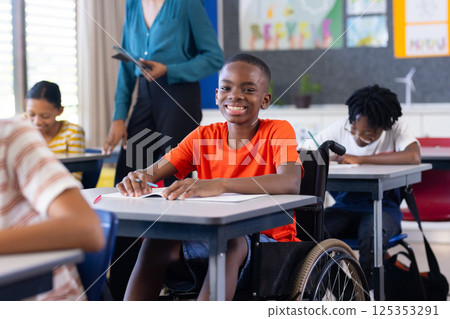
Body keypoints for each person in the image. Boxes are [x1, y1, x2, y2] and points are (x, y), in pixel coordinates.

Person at [117, 53, 303, 300]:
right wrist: (138, 176)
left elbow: (290, 182)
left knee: (229, 243)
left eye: (248, 89)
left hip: (266, 242)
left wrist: (219, 184)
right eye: (226, 87)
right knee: (157, 238)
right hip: (209, 237)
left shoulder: (278, 130)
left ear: (265, 99)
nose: (235, 95)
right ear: (217, 95)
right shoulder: (203, 135)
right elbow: (155, 171)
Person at [103, 0, 224, 300]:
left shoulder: (185, 5)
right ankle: (119, 291)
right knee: (127, 187)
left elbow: (213, 58)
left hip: (178, 95)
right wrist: (120, 116)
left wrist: (170, 68)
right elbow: (126, 66)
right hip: (144, 98)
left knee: (171, 188)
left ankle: (180, 277)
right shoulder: (133, 6)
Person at [304, 85, 421, 284]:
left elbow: (413, 155)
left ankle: (366, 294)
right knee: (311, 230)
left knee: (372, 236)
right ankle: (341, 291)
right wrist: (324, 156)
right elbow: (306, 150)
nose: (358, 137)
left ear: (384, 127)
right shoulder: (341, 127)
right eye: (354, 130)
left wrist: (361, 159)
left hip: (383, 210)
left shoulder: (395, 127)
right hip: (344, 208)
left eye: (368, 134)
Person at [0, 116, 105, 301]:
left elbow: (87, 229)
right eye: (32, 113)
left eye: (45, 115)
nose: (38, 120)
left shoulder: (11, 134)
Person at [26, 80, 85, 181]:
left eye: (45, 116)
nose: (37, 122)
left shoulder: (72, 133)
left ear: (59, 110)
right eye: (31, 114)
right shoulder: (22, 128)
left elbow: (74, 178)